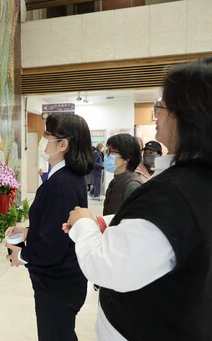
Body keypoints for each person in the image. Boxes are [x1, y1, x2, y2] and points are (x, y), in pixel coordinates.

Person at [63, 57, 212, 340]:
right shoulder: (192, 183)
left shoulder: (174, 194)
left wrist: (84, 225)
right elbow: (148, 232)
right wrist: (103, 223)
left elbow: (109, 266)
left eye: (162, 107)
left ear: (189, 116)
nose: (157, 116)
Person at [5, 112, 94, 341]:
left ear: (63, 144)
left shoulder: (62, 184)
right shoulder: (63, 177)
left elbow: (52, 246)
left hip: (58, 283)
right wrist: (27, 231)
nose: (43, 138)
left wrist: (21, 254)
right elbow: (56, 225)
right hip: (61, 280)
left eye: (47, 134)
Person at [102, 133, 143, 215]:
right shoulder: (114, 181)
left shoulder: (133, 185)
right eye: (107, 151)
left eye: (112, 152)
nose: (107, 156)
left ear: (127, 157)